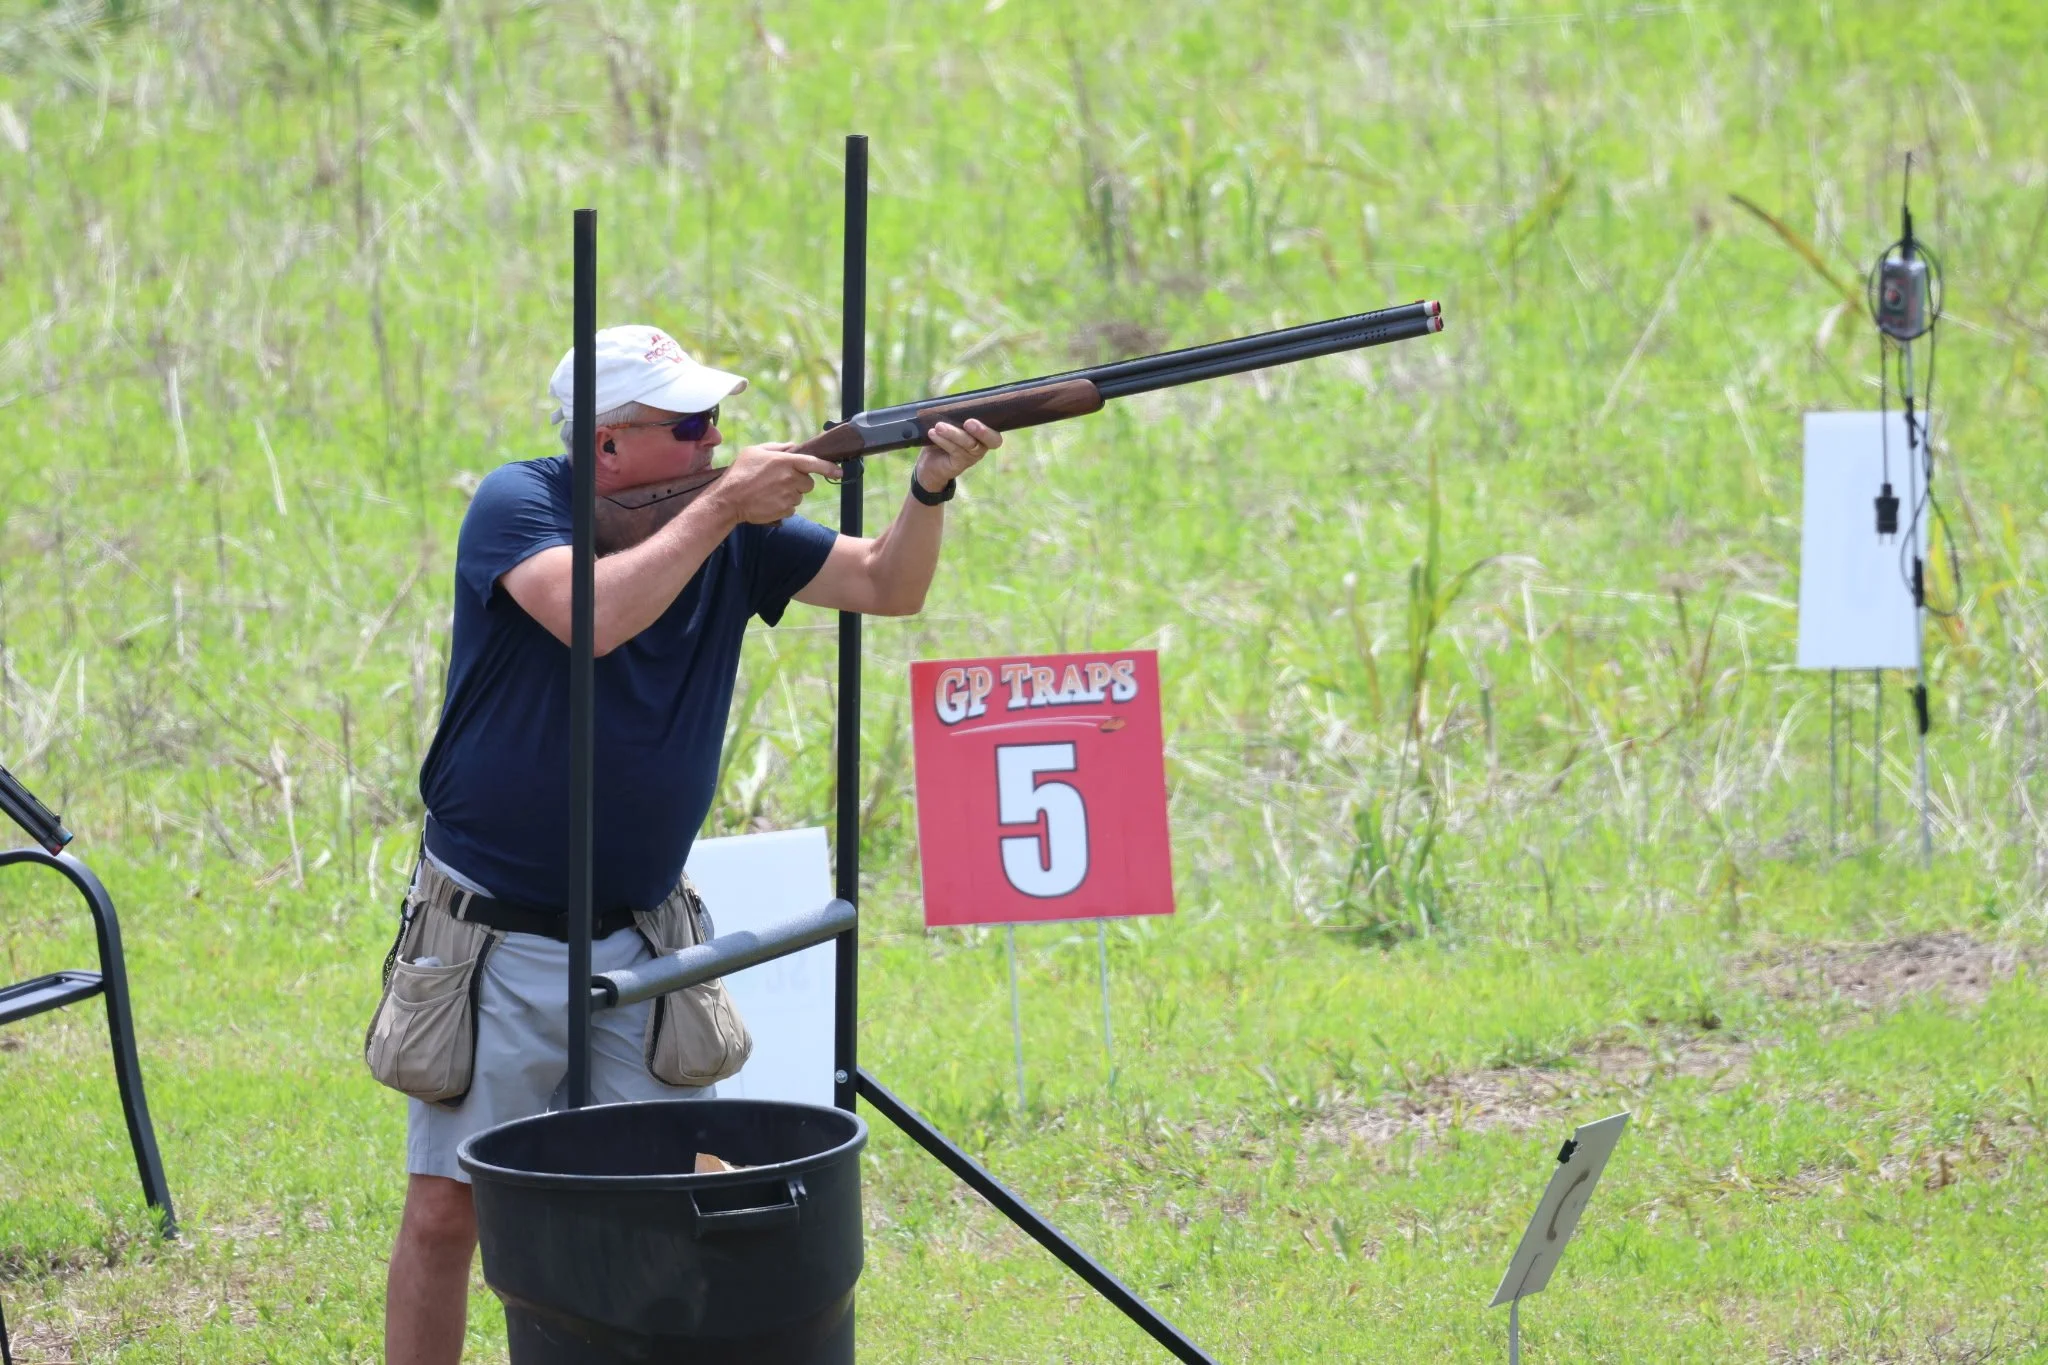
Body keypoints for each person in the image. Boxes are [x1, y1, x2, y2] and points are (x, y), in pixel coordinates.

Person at [380, 324, 1001, 1364]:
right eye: (688, 426)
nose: (717, 441)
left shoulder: (729, 526)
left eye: (716, 420)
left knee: (671, 1197)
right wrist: (722, 508)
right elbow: (592, 618)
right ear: (607, 448)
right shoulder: (517, 504)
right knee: (450, 1212)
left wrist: (929, 487)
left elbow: (889, 586)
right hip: (494, 930)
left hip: (642, 928)